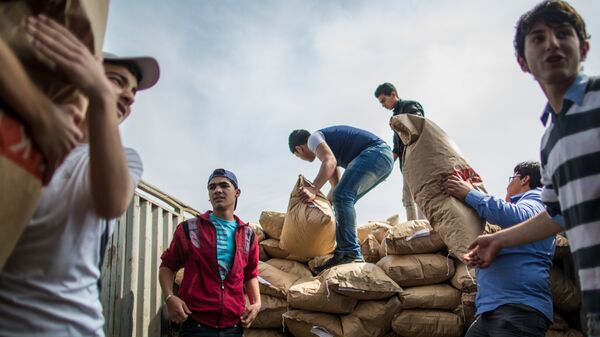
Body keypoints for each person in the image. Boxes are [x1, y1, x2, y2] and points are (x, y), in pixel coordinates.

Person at [0, 15, 159, 336]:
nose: (128, 96)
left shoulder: (125, 159)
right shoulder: (20, 139)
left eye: (133, 93)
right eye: (116, 80)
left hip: (71, 327)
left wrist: (102, 95)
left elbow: (112, 202)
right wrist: (40, 115)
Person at [464, 1, 599, 336]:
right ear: (523, 62)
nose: (551, 42)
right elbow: (557, 214)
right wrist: (498, 241)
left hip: (520, 309)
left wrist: (469, 194)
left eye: (563, 34)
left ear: (582, 48)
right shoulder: (551, 140)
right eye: (538, 38)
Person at [444, 161, 554, 337]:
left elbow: (519, 217)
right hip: (493, 310)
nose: (508, 184)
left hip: (518, 309)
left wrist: (469, 194)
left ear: (525, 179)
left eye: (512, 178)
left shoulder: (537, 198)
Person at [159, 169, 261, 337]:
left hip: (233, 327)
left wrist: (256, 303)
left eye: (224, 185)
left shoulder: (248, 235)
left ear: (237, 192)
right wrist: (169, 297)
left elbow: (250, 274)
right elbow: (167, 266)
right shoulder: (189, 228)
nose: (217, 190)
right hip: (195, 325)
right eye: (212, 187)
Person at [288, 125, 394, 272]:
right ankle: (343, 253)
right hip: (382, 158)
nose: (302, 159)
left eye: (298, 156)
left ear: (299, 149)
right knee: (341, 198)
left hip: (376, 153)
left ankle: (350, 252)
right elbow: (336, 186)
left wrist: (313, 189)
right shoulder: (327, 150)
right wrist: (324, 205)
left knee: (342, 197)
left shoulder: (313, 139)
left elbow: (329, 161)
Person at [374, 82, 425, 220]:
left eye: (383, 100)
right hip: (405, 165)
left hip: (416, 160)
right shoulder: (395, 116)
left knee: (419, 195)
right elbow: (397, 148)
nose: (383, 105)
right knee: (407, 198)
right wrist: (384, 169)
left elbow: (418, 126)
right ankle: (412, 228)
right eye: (380, 103)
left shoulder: (410, 106)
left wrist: (398, 123)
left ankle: (423, 227)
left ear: (393, 94)